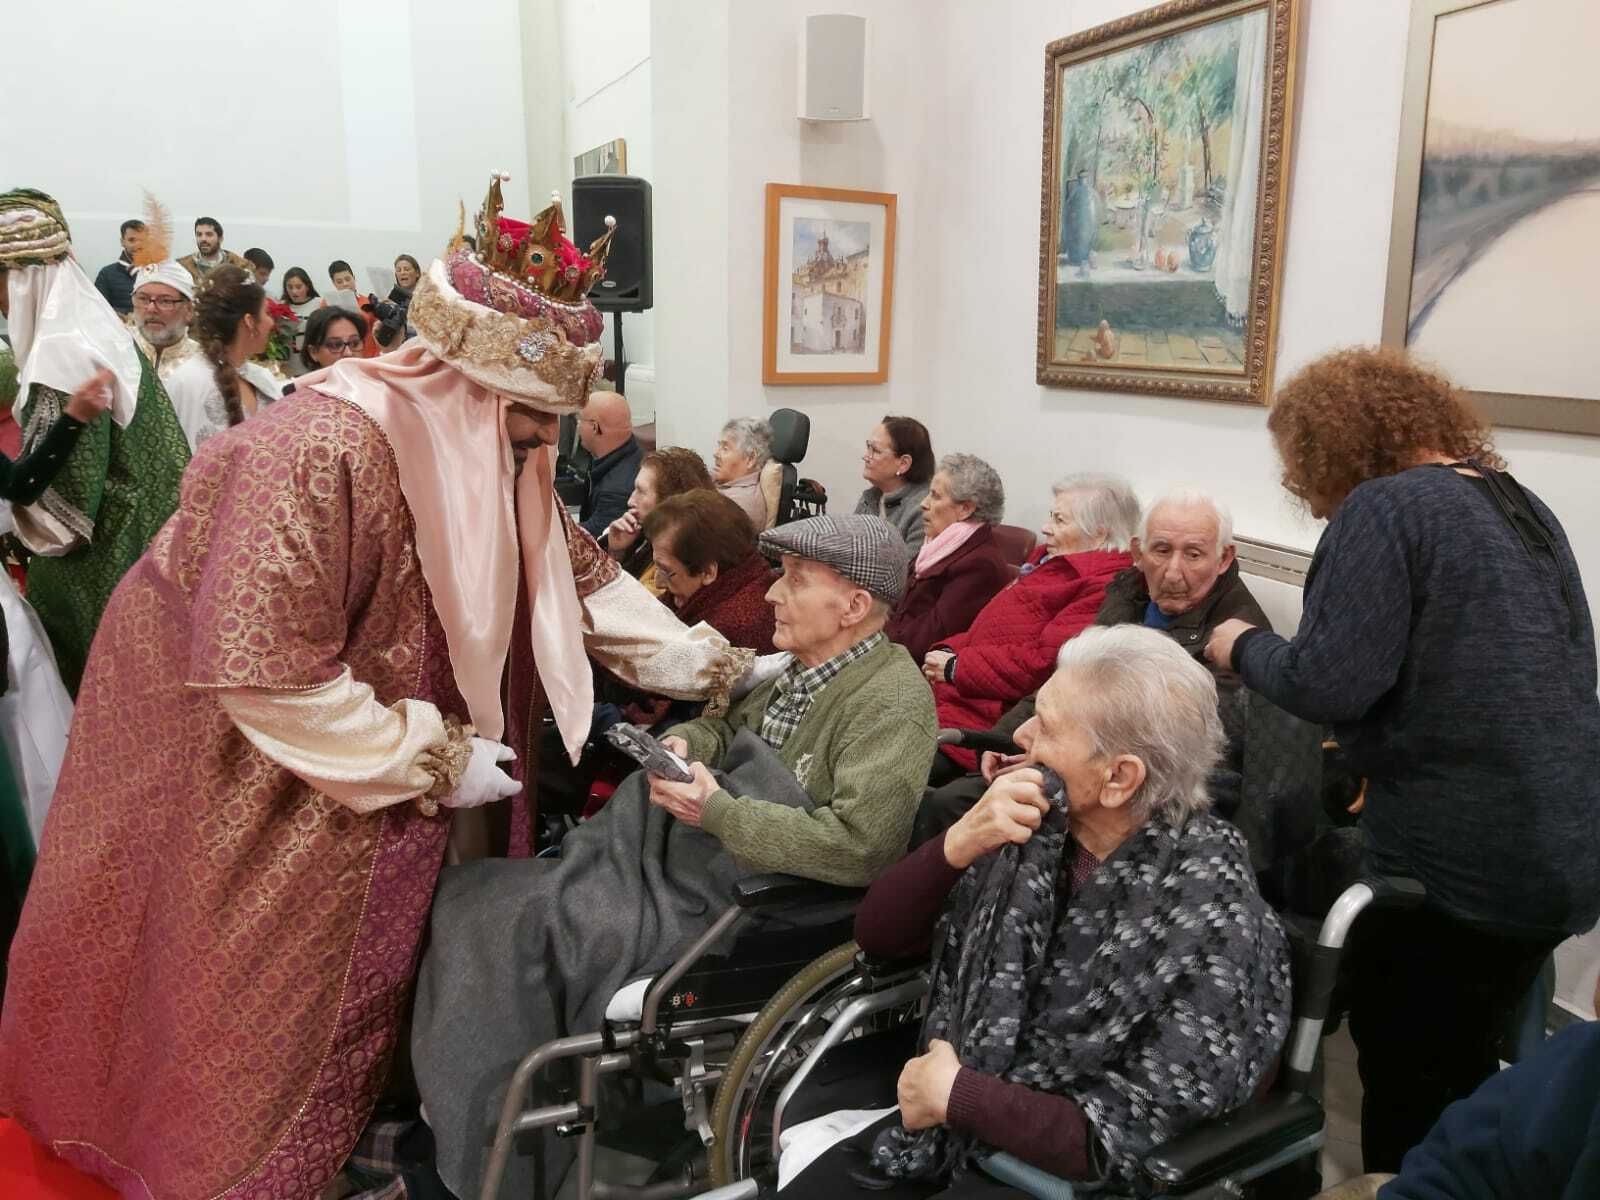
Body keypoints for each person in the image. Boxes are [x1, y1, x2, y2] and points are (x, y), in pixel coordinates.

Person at [0, 173, 747, 1200]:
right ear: (462, 389)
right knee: (270, 1001)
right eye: (529, 428)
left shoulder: (498, 452)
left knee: (422, 957)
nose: (543, 452)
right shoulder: (314, 450)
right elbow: (260, 668)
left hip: (426, 773)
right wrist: (425, 756)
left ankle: (391, 1132)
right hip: (274, 783)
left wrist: (718, 663)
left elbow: (580, 581)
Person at [414, 512, 937, 1200]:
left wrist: (717, 812)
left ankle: (494, 1153)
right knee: (472, 894)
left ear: (855, 605)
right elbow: (728, 728)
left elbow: (861, 850)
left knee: (517, 918)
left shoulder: (894, 701)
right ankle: (468, 1120)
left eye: (795, 581)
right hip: (691, 864)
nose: (773, 595)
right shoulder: (803, 674)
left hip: (749, 907)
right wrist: (696, 746)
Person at [1202, 347, 1600, 1175]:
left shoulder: (1386, 510)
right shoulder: (1517, 503)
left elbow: (1331, 680)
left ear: (1327, 446)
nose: (1301, 490)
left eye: (1296, 466)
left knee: (1414, 1073)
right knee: (1469, 1060)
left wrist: (1244, 645)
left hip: (1458, 866)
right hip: (1565, 847)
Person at [781, 625, 1290, 1197]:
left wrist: (961, 1094)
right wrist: (960, 841)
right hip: (965, 1094)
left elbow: (1130, 1132)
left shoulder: (1212, 922)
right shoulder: (1035, 832)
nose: (1020, 733)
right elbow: (879, 936)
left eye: (1046, 725)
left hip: (1062, 1170)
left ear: (1119, 777)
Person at [916, 487, 1265, 843]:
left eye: (1194, 554)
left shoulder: (1236, 638)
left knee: (954, 806)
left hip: (1119, 794)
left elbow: (1170, 754)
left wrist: (1044, 761)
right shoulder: (1126, 594)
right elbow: (1065, 682)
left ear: (1224, 558)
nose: (1174, 573)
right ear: (1137, 552)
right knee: (945, 801)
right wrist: (1004, 740)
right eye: (1161, 550)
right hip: (1058, 752)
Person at [0, 188, 190, 693]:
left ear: (22, 278)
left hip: (109, 559)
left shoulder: (62, 353)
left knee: (104, 693)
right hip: (159, 538)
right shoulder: (95, 327)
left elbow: (63, 511)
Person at [924, 475, 1139, 772]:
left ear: (1099, 534)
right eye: (1052, 516)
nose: (1045, 528)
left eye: (1060, 520)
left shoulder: (1100, 586)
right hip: (956, 698)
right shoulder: (1047, 562)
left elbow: (1042, 663)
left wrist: (956, 666)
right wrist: (948, 650)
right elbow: (989, 631)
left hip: (987, 717)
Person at [885, 453, 1010, 664]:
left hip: (913, 670)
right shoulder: (940, 545)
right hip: (893, 653)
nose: (924, 504)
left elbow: (929, 639)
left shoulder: (980, 565)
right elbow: (895, 603)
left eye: (935, 496)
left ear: (965, 509)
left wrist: (870, 637)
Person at [164, 264, 284, 452]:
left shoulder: (260, 377)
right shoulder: (188, 382)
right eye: (266, 313)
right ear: (249, 322)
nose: (271, 322)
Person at [604, 445, 715, 592]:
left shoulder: (680, 560)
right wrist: (616, 552)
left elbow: (623, 604)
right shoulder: (642, 536)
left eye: (641, 492)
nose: (630, 501)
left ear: (669, 501)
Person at [855, 414, 935, 554]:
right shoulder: (870, 498)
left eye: (876, 451)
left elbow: (909, 571)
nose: (866, 457)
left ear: (903, 464)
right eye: (868, 447)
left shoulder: (923, 509)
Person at [127, 251, 202, 382]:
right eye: (143, 299)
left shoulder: (203, 364)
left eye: (165, 301)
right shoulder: (116, 350)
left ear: (189, 310)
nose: (151, 309)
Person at [576, 388, 641, 537]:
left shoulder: (615, 490)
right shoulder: (627, 454)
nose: (578, 426)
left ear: (594, 427)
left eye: (580, 419)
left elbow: (589, 537)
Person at [713, 415, 772, 529]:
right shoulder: (723, 481)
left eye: (725, 448)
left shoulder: (741, 504)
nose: (716, 454)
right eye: (719, 446)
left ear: (750, 459)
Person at [91, 217, 144, 316]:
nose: (137, 245)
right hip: (118, 329)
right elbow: (98, 309)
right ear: (122, 242)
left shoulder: (158, 272)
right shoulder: (106, 274)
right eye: (132, 240)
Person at [177, 215, 250, 284]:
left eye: (209, 234)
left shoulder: (240, 266)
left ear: (220, 239)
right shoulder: (182, 267)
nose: (203, 239)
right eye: (199, 234)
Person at [298, 305, 368, 372]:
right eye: (335, 345)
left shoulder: (375, 382)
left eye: (355, 344)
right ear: (313, 352)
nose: (348, 353)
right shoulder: (304, 384)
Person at [372, 253, 419, 347]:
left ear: (417, 273)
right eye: (399, 270)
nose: (402, 272)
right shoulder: (391, 300)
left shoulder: (427, 297)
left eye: (407, 269)